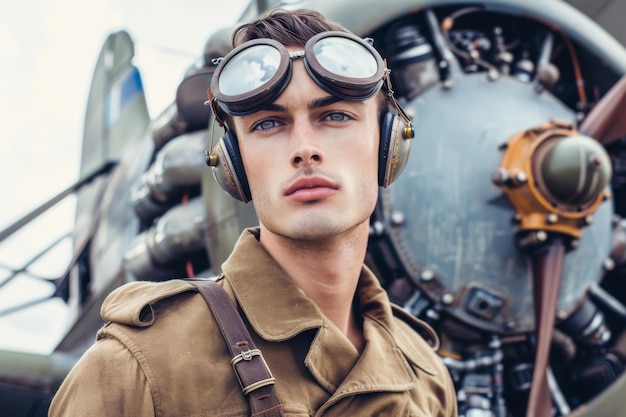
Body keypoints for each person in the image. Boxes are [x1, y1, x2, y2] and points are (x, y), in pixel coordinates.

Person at [49, 8, 457, 417]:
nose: (304, 148)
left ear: (390, 144)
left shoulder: (428, 379)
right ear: (233, 165)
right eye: (268, 124)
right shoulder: (136, 368)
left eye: (335, 115)